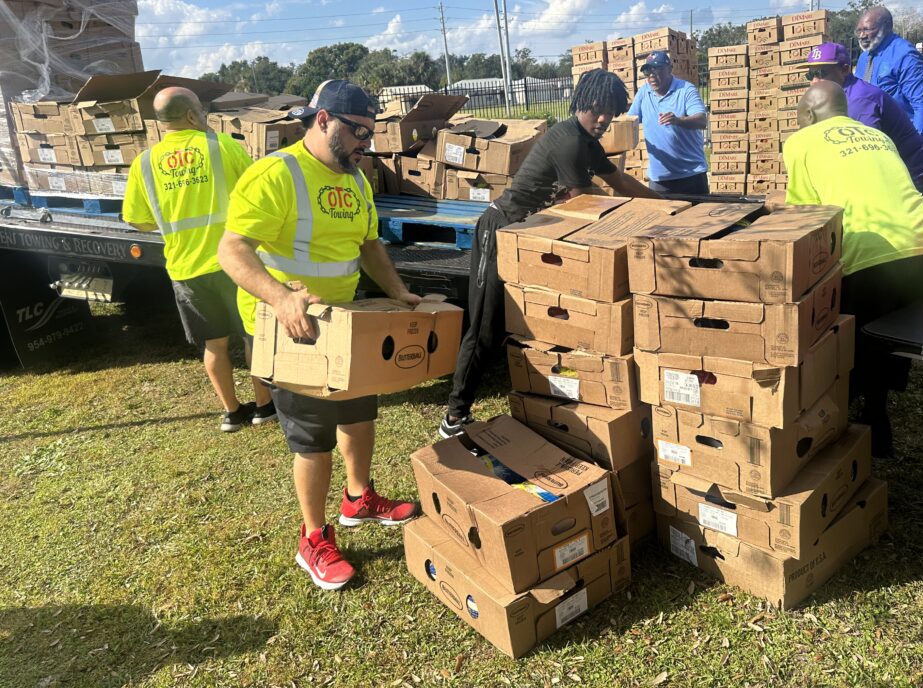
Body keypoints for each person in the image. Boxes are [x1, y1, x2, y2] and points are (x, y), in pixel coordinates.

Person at [218, 80, 420, 590]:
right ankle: (313, 537)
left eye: (370, 136)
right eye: (358, 132)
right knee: (313, 439)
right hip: (291, 325)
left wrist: (399, 292)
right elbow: (232, 250)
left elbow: (370, 244)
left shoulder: (356, 179)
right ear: (324, 119)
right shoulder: (276, 174)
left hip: (345, 320)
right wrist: (281, 298)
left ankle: (359, 498)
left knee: (359, 411)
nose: (365, 145)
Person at [438, 69, 662, 438]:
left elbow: (620, 182)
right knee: (484, 329)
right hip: (502, 231)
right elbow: (583, 202)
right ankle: (454, 418)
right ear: (581, 104)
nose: (604, 119)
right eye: (597, 110)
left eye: (610, 111)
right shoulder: (570, 141)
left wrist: (668, 207)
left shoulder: (587, 141)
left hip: (532, 237)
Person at [783, 81, 923, 458]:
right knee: (892, 330)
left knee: (853, 336)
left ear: (806, 115)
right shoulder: (876, 136)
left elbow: (806, 217)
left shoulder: (800, 142)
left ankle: (866, 419)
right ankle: (879, 401)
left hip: (870, 251)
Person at [123, 87, 275, 433]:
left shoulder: (144, 163)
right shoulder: (222, 147)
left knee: (214, 344)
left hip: (185, 267)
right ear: (192, 115)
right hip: (234, 264)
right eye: (201, 111)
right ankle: (264, 406)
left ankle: (232, 413)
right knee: (253, 336)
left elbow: (136, 218)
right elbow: (256, 193)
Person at [804, 41, 923, 198]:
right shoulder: (837, 96)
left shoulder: (858, 101)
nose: (814, 81)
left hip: (914, 174)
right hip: (895, 170)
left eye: (822, 74)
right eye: (810, 75)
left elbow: (867, 155)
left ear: (844, 70)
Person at [627, 50, 709, 195]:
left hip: (691, 175)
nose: (652, 75)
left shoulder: (685, 90)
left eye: (658, 69)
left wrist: (678, 120)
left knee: (697, 217)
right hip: (660, 179)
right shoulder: (644, 92)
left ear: (670, 69)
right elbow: (629, 122)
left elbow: (702, 120)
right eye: (648, 71)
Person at [853, 5, 923, 141]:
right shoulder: (864, 57)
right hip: (869, 140)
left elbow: (921, 104)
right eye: (859, 30)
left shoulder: (905, 56)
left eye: (867, 29)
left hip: (898, 138)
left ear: (886, 27)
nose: (862, 35)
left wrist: (917, 146)